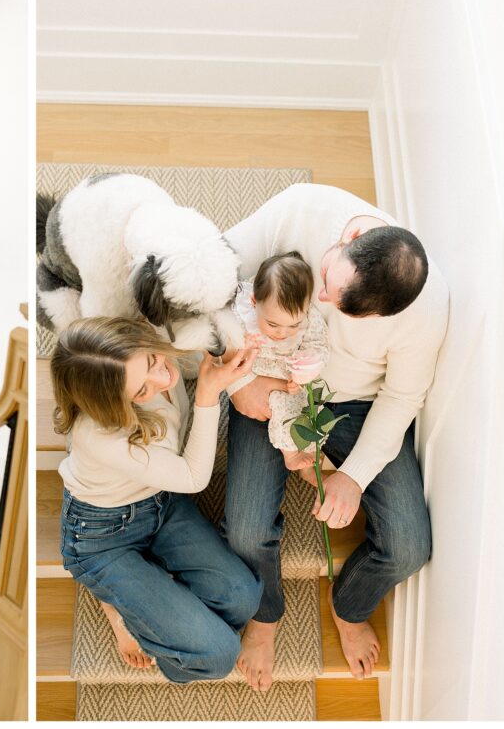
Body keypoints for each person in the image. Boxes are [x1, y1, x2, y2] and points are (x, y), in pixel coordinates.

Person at [221, 183, 448, 690]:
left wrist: (353, 477)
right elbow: (212, 282)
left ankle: (349, 607)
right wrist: (239, 382)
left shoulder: (424, 313)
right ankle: (265, 614)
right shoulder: (299, 208)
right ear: (353, 235)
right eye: (326, 280)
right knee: (244, 529)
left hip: (355, 403)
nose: (322, 299)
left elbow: (401, 399)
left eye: (340, 304)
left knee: (409, 546)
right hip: (271, 380)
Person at [52, 316, 262, 682]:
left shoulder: (155, 347)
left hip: (161, 503)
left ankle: (141, 588)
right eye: (141, 393)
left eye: (153, 360)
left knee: (242, 599)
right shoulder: (98, 436)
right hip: (102, 537)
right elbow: (194, 478)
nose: (164, 379)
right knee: (217, 656)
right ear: (113, 406)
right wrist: (208, 396)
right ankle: (118, 607)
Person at [226, 250, 329, 474]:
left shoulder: (310, 319)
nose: (282, 333)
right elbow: (222, 345)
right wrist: (242, 346)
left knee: (305, 409)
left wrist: (306, 370)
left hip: (288, 377)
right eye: (273, 324)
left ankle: (309, 454)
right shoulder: (242, 313)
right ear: (254, 302)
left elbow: (319, 347)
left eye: (293, 325)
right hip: (252, 375)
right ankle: (290, 454)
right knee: (283, 407)